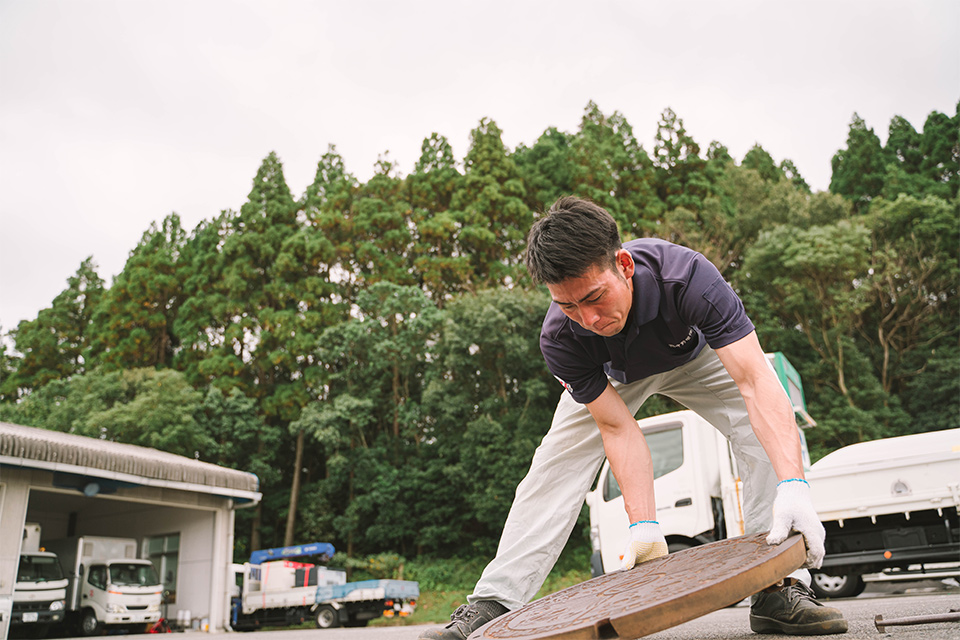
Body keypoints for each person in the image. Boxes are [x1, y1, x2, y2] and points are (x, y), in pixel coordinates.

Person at [420, 196, 848, 639]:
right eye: (568, 306)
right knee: (552, 465)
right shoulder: (562, 338)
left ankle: (779, 589)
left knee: (762, 430)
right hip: (613, 374)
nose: (588, 319)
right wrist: (643, 525)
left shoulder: (688, 277)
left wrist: (793, 486)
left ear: (623, 264)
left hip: (694, 356)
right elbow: (617, 428)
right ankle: (495, 601)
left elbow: (756, 381)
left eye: (594, 297)